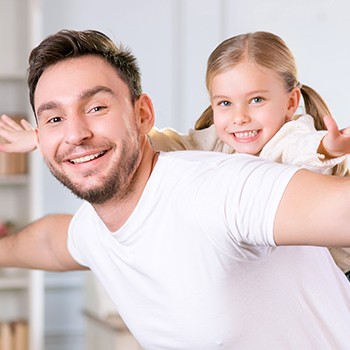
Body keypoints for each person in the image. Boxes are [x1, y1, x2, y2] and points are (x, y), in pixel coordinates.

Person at [1, 29, 350, 349]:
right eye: (54, 119)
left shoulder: (222, 187)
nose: (75, 134)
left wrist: (328, 150)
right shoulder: (98, 225)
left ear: (142, 115)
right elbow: (50, 241)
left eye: (96, 108)